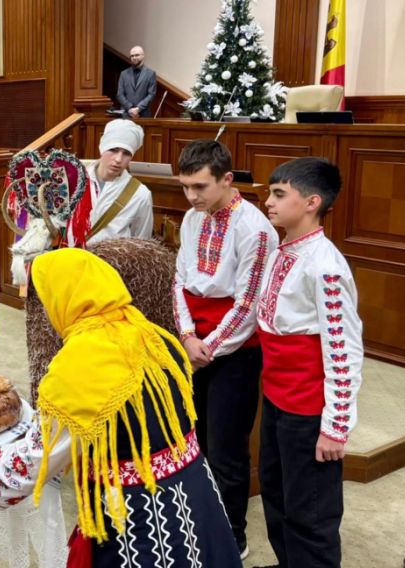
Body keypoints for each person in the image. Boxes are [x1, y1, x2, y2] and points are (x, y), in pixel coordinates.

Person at [0, 248, 242, 567]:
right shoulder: (154, 335)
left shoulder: (83, 363)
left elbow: (37, 461)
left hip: (141, 520)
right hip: (197, 497)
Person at [173, 139, 277, 559]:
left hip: (234, 350)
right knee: (192, 439)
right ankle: (198, 522)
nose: (191, 196)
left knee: (226, 449)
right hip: (193, 342)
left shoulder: (255, 229)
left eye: (200, 186)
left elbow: (248, 303)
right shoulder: (191, 217)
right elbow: (179, 279)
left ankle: (233, 537)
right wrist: (186, 336)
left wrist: (208, 348)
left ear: (227, 179)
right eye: (185, 187)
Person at [256, 157, 362, 568]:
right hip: (278, 397)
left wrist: (336, 426)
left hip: (308, 408)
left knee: (310, 510)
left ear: (312, 202)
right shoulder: (283, 250)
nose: (268, 201)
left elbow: (343, 350)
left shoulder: (325, 266)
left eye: (279, 194)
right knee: (277, 491)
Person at [80, 119, 153, 246]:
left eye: (126, 153)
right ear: (102, 148)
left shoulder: (140, 194)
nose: (119, 159)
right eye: (113, 150)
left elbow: (142, 244)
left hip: (111, 258)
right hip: (71, 256)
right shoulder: (76, 180)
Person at [116, 45, 157, 119]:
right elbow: (120, 94)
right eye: (132, 56)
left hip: (143, 115)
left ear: (143, 56)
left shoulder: (151, 74)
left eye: (137, 55)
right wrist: (130, 108)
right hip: (126, 114)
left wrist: (138, 109)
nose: (134, 58)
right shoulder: (123, 74)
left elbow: (151, 94)